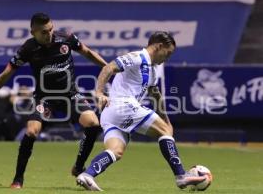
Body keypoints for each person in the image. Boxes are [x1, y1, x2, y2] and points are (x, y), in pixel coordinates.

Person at [0, 12, 107, 188]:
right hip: (44, 97)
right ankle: (18, 179)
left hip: (70, 94)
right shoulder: (28, 48)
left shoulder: (66, 38)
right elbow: (4, 75)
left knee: (93, 123)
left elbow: (88, 52)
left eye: (50, 29)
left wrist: (108, 68)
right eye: (43, 32)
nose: (49, 34)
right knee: (32, 131)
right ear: (33, 32)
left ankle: (78, 167)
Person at [76, 31, 206, 191]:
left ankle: (87, 175)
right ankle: (181, 176)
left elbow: (155, 95)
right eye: (168, 53)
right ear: (159, 46)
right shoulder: (138, 57)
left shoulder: (151, 70)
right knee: (164, 131)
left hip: (110, 114)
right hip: (123, 105)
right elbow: (109, 67)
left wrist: (166, 121)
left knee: (116, 151)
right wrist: (99, 92)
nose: (168, 57)